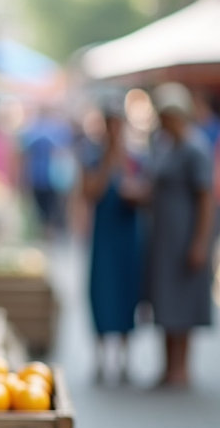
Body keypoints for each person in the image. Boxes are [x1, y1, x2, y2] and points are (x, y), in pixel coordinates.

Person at [143, 82, 214, 388]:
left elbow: (206, 199)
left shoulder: (195, 148)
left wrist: (200, 241)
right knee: (166, 299)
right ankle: (167, 365)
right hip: (164, 239)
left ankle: (181, 368)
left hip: (186, 237)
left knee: (184, 300)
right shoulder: (165, 145)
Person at [80, 100, 144, 383]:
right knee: (102, 290)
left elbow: (142, 190)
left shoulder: (135, 157)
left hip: (128, 234)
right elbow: (90, 192)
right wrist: (109, 161)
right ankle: (101, 358)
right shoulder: (92, 156)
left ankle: (126, 360)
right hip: (104, 235)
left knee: (128, 291)